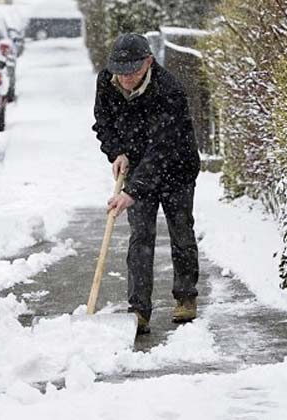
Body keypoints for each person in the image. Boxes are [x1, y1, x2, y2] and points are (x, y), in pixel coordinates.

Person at [92, 33, 201, 335]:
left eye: (132, 72)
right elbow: (103, 120)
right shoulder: (107, 81)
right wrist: (116, 151)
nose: (125, 79)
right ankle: (139, 309)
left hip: (176, 166)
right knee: (141, 236)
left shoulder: (170, 91)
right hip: (138, 164)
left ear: (148, 62)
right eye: (120, 71)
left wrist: (132, 191)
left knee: (180, 230)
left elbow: (162, 148)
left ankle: (185, 297)